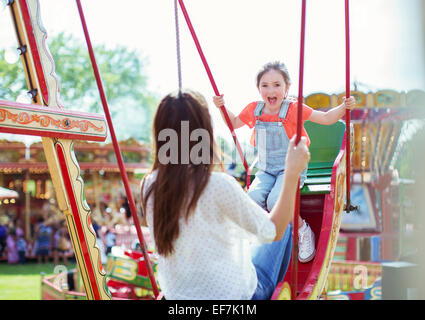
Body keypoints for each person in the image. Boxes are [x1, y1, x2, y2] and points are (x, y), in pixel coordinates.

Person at [141, 89, 310, 300]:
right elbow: (273, 231)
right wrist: (292, 173)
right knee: (285, 225)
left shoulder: (149, 185)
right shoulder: (216, 184)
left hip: (180, 297)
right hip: (236, 298)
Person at [213, 61, 356, 263]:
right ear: (258, 89)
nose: (271, 90)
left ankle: (303, 229)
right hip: (265, 169)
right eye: (265, 85)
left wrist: (344, 107)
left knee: (274, 201)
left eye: (277, 85)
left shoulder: (293, 109)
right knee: (251, 199)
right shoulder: (255, 109)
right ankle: (264, 238)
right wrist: (222, 107)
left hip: (291, 169)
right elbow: (233, 123)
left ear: (287, 87)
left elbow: (325, 119)